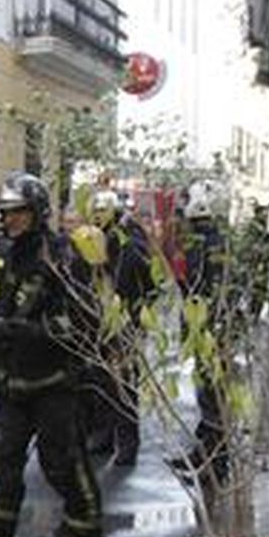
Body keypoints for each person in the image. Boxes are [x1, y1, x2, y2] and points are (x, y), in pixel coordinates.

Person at [0, 172, 105, 537]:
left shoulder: (62, 255)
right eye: (5, 213)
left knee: (60, 459)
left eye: (17, 212)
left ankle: (83, 526)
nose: (8, 220)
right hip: (15, 378)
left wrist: (24, 329)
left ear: (37, 212)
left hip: (56, 381)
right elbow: (1, 302)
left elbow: (83, 322)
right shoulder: (11, 253)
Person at [85, 188, 156, 467]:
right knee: (101, 381)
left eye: (101, 213)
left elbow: (146, 283)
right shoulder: (95, 239)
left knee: (124, 384)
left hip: (125, 322)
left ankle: (128, 443)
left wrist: (133, 316)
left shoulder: (130, 242)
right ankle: (104, 436)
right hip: (99, 321)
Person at [171, 180, 230, 486]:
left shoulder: (209, 244)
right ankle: (205, 453)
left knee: (212, 396)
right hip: (204, 330)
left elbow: (205, 290)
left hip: (210, 332)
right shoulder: (208, 241)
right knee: (206, 394)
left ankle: (216, 463)